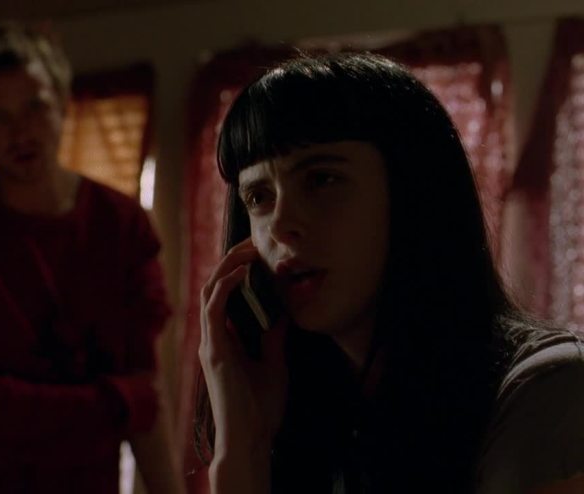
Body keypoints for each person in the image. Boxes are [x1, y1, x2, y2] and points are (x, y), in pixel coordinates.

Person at [196, 53, 584, 493]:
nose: (281, 224)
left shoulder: (547, 394)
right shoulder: (316, 413)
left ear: (413, 194)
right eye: (258, 196)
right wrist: (244, 443)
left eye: (321, 179)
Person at [0, 22, 184, 493]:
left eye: (33, 106)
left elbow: (145, 393)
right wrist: (115, 404)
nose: (20, 131)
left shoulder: (121, 225)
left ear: (61, 100)